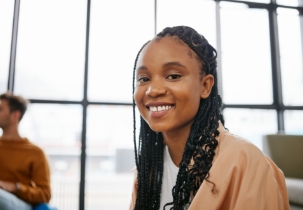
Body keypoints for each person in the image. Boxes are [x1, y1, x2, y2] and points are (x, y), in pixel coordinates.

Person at [129, 26, 289, 210]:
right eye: (143, 79)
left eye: (173, 76)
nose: (153, 90)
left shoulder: (245, 162)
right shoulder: (146, 171)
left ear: (205, 86)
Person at [0, 92, 51, 210]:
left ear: (15, 116)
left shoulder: (35, 152)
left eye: (0, 109)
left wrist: (15, 187)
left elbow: (45, 194)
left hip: (20, 204)